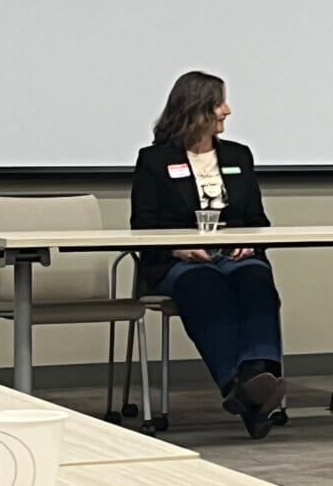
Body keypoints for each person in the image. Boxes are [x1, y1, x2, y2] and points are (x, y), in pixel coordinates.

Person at [130, 71, 285, 439]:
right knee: (205, 286)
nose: (227, 111)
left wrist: (250, 241)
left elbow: (257, 220)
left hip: (235, 256)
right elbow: (141, 225)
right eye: (219, 103)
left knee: (256, 279)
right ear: (196, 109)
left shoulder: (238, 156)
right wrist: (177, 247)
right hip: (178, 261)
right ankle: (244, 387)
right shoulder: (154, 160)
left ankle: (249, 380)